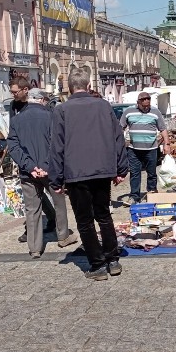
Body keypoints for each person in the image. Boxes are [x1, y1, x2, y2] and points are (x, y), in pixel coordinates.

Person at [48, 68, 128, 280]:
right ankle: (113, 259)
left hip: (76, 173)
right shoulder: (103, 105)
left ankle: (98, 264)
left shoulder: (62, 110)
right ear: (88, 85)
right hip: (102, 170)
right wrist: (121, 168)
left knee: (84, 221)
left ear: (69, 87)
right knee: (103, 214)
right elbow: (118, 137)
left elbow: (56, 146)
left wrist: (55, 179)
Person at [7, 88, 78, 259]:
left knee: (32, 209)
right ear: (42, 100)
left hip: (27, 172)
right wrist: (45, 165)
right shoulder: (51, 116)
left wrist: (31, 166)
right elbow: (57, 144)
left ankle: (35, 248)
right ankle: (63, 236)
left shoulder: (16, 120)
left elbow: (13, 147)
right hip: (51, 170)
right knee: (59, 203)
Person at [8, 78, 55, 243]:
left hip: (43, 159)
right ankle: (33, 229)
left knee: (45, 193)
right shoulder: (14, 106)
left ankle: (55, 222)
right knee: (33, 195)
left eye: (15, 91)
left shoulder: (40, 106)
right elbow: (13, 133)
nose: (13, 94)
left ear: (25, 90)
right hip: (25, 156)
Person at [120, 92, 171, 203]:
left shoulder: (155, 112)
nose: (146, 107)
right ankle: (134, 196)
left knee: (152, 173)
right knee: (134, 173)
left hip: (151, 149)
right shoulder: (128, 111)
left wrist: (167, 144)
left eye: (148, 105)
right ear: (138, 102)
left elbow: (163, 128)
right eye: (144, 106)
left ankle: (152, 193)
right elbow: (121, 127)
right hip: (133, 149)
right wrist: (119, 142)